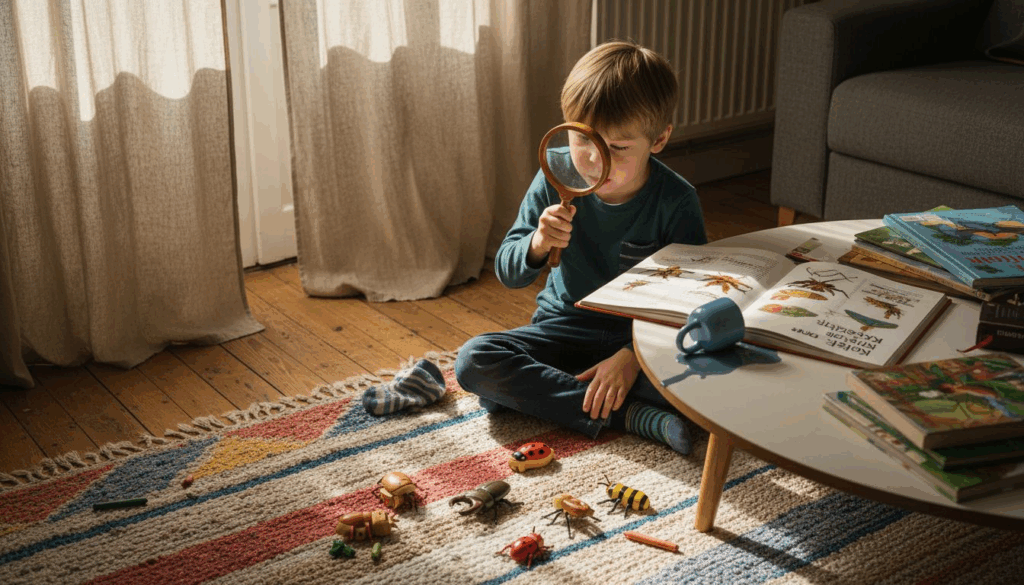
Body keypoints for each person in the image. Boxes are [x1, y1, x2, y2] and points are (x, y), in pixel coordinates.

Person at [454, 41, 707, 454]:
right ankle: (628, 415)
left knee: (715, 379)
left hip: (641, 337)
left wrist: (632, 356)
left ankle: (544, 396)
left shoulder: (675, 200)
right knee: (475, 359)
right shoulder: (556, 175)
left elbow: (689, 303)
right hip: (564, 328)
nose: (594, 159)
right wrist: (537, 243)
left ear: (659, 139)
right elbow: (508, 271)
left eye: (618, 149)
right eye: (583, 139)